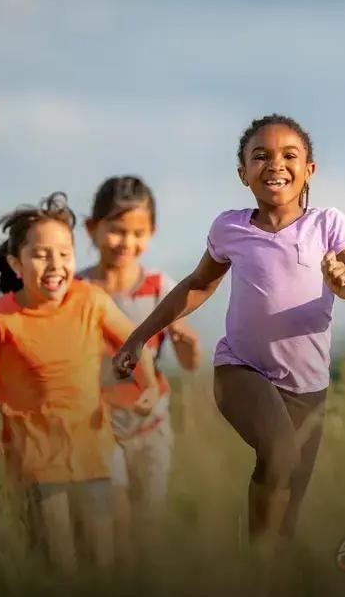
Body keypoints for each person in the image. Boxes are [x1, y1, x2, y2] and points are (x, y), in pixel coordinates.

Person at [113, 114, 345, 555]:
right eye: (260, 156)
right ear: (243, 174)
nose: (274, 164)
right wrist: (139, 336)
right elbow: (198, 285)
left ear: (309, 171)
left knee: (285, 513)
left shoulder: (329, 226)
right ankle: (254, 560)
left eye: (288, 155)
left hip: (308, 389)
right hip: (242, 369)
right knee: (280, 454)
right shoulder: (232, 228)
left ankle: (260, 569)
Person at [0, 192, 161, 571]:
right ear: (16, 263)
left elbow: (136, 344)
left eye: (65, 253)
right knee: (59, 567)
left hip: (93, 457)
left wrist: (148, 385)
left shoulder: (90, 299)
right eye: (41, 254)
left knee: (103, 566)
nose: (55, 264)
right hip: (35, 465)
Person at [79, 175, 200, 563]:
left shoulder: (161, 288)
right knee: (112, 521)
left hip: (152, 424)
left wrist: (190, 346)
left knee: (148, 524)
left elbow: (188, 364)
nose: (126, 243)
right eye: (116, 231)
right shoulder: (78, 289)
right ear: (91, 229)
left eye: (137, 233)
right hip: (98, 425)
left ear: (151, 233)